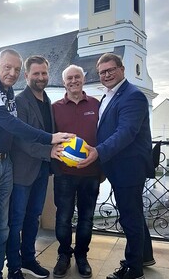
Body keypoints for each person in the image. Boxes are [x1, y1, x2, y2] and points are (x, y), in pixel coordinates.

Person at [0, 48, 73, 279]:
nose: (12, 72)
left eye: (16, 69)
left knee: (0, 230)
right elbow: (9, 124)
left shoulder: (8, 93)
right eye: (7, 67)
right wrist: (49, 139)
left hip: (3, 164)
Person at [77, 53, 155, 279]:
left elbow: (126, 132)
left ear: (122, 69)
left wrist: (98, 152)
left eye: (111, 70)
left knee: (129, 217)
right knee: (135, 214)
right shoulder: (109, 95)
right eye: (102, 72)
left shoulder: (133, 96)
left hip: (129, 167)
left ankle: (133, 269)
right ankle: (144, 255)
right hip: (118, 165)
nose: (106, 75)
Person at [6, 55, 61, 279]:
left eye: (44, 73)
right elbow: (21, 140)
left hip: (42, 169)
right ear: (26, 75)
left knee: (33, 217)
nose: (41, 77)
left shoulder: (47, 100)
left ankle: (28, 259)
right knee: (16, 220)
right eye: (36, 73)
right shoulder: (20, 101)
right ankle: (14, 267)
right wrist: (48, 151)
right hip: (22, 171)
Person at [52, 65, 102, 278]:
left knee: (87, 218)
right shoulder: (55, 107)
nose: (73, 81)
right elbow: (48, 135)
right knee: (63, 218)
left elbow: (105, 134)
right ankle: (64, 255)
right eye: (69, 78)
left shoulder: (96, 104)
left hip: (90, 173)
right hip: (64, 174)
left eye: (77, 77)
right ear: (64, 82)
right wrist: (51, 149)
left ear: (83, 79)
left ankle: (81, 256)